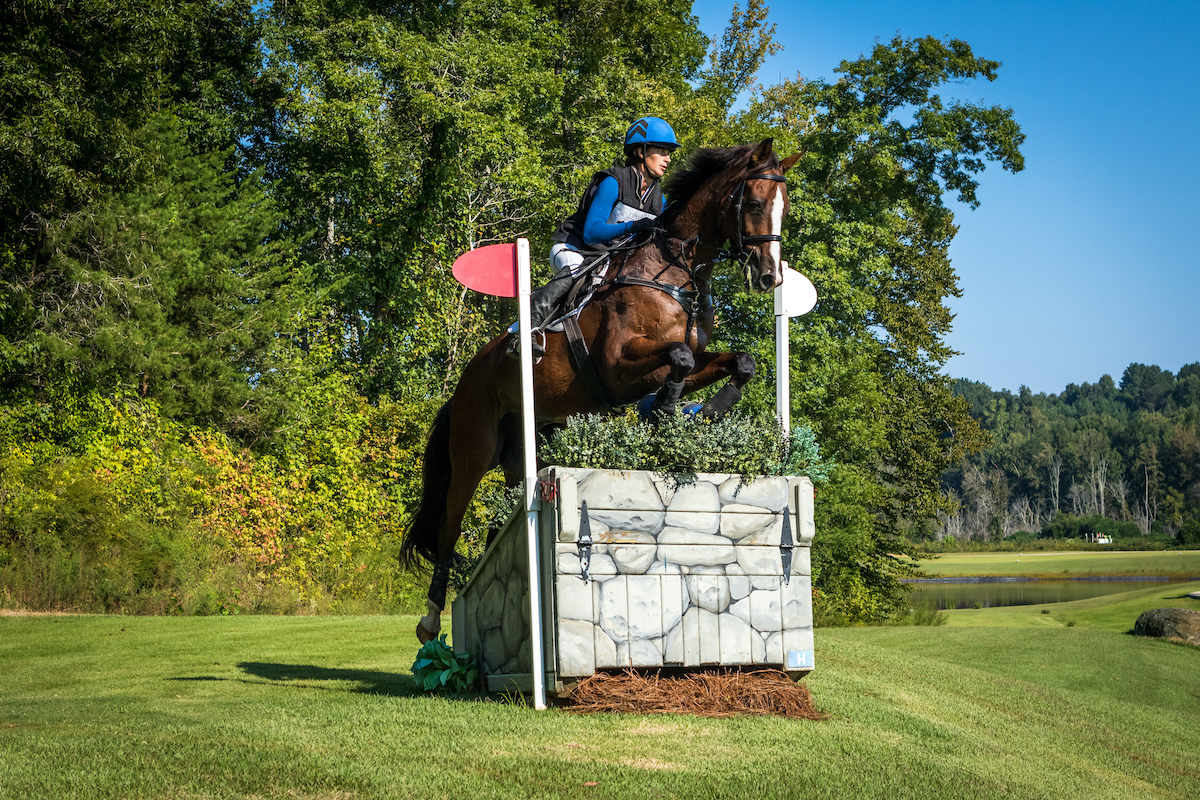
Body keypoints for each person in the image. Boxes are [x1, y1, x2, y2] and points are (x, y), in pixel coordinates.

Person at [515, 117, 679, 345]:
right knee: (574, 268)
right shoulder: (613, 182)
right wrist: (633, 226)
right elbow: (591, 233)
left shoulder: (658, 200)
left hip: (606, 261)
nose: (668, 159)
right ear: (641, 152)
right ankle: (528, 326)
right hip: (576, 249)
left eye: (669, 153)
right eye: (662, 151)